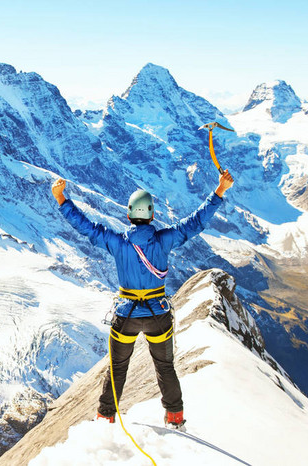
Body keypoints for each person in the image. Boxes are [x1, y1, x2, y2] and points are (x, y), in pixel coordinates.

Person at [51, 170, 234, 429]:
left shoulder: (117, 243)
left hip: (125, 317)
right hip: (158, 316)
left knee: (117, 369)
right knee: (165, 367)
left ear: (128, 215)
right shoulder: (164, 240)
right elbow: (194, 223)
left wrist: (62, 200)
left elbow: (86, 227)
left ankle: (105, 417)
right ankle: (175, 417)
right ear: (151, 215)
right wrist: (219, 192)